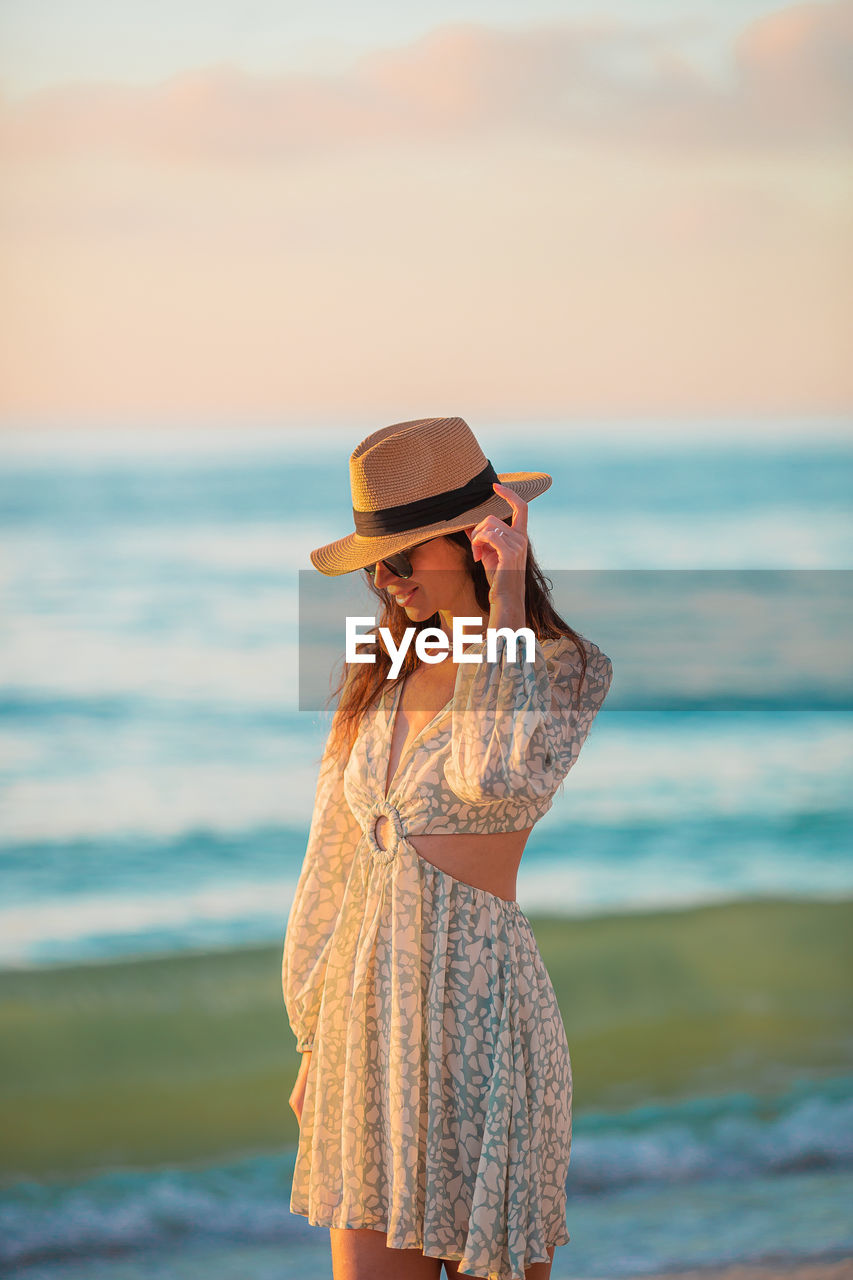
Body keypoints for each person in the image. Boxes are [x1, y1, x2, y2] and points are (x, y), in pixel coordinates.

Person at [282, 416, 613, 1280]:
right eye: (374, 566)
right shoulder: (376, 678)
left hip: (484, 1015)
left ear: (476, 539)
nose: (386, 583)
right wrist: (314, 1041)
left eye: (401, 558)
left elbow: (490, 775)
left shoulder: (560, 666)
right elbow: (332, 866)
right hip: (367, 1027)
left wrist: (501, 604)